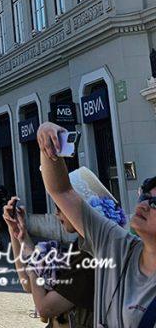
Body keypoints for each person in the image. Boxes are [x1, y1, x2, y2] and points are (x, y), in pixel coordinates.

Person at [36, 121, 156, 328]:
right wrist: (47, 142)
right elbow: (62, 191)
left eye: (155, 203)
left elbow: (45, 309)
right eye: (144, 196)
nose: (144, 205)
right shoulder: (116, 243)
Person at [2, 167, 125, 328]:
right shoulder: (79, 247)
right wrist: (17, 233)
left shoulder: (91, 259)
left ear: (81, 209)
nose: (56, 213)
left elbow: (45, 308)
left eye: (60, 207)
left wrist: (35, 265)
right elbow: (28, 282)